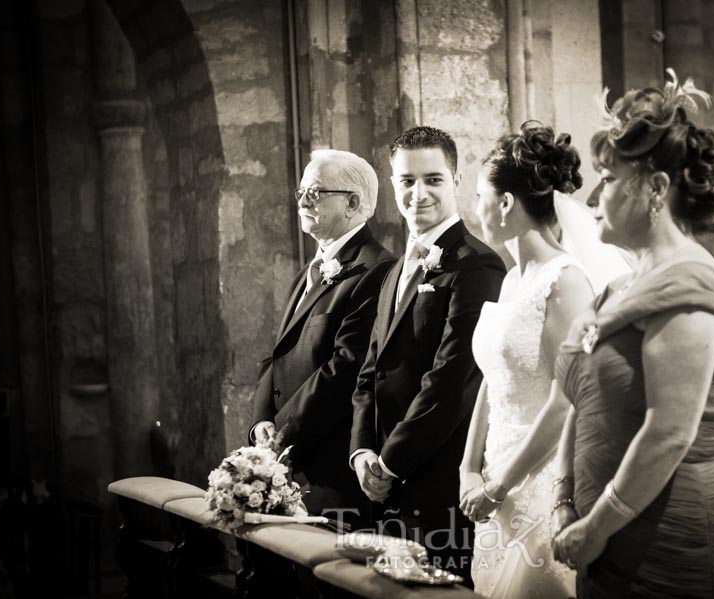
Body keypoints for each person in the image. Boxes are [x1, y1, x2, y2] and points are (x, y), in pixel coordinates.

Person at [550, 70, 714, 598]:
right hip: (606, 537)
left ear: (656, 188)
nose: (595, 194)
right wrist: (562, 496)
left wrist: (595, 527)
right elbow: (578, 404)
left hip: (674, 545)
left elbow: (669, 432)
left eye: (608, 176)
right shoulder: (621, 288)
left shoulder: (688, 289)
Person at [457, 122, 613, 598]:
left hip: (539, 479)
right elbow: (493, 378)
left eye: (481, 194)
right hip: (494, 477)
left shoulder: (565, 282)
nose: (475, 206)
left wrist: (501, 484)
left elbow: (566, 400)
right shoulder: (512, 280)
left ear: (505, 203)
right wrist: (469, 466)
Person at [349, 126, 506, 582]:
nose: (419, 193)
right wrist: (361, 450)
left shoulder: (477, 264)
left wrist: (391, 462)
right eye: (407, 181)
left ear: (456, 181)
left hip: (433, 481)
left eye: (433, 179)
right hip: (378, 480)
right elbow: (370, 369)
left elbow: (452, 379)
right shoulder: (396, 268)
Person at [250, 149, 395, 531]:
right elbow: (278, 355)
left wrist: (282, 434)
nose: (302, 201)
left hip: (329, 470)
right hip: (286, 460)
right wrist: (260, 422)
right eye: (300, 192)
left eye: (314, 192)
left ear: (353, 202)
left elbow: (346, 366)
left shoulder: (376, 269)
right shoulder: (307, 274)